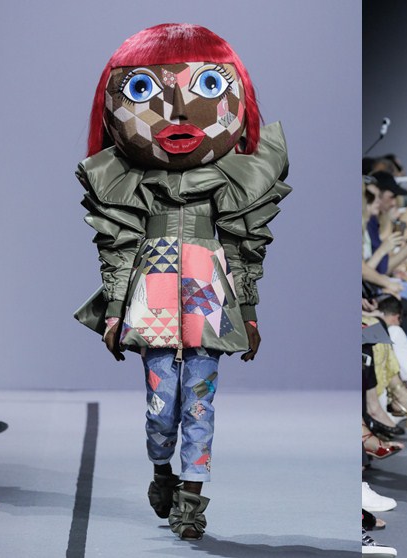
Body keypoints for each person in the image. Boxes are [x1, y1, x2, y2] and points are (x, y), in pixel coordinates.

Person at [74, 24, 290, 540]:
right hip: (150, 298)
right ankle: (162, 469)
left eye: (207, 86)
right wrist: (113, 313)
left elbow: (242, 247)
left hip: (209, 298)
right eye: (145, 89)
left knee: (199, 402)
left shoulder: (230, 181)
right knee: (160, 410)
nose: (177, 111)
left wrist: (250, 314)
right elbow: (117, 248)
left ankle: (192, 502)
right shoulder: (129, 182)